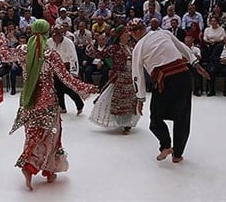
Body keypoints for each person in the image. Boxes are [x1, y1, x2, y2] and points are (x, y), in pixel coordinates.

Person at [0, 19, 97, 190]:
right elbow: (67, 80)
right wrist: (87, 88)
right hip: (48, 102)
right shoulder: (50, 55)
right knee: (51, 136)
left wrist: (1, 39)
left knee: (33, 135)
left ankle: (31, 167)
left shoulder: (23, 51)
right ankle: (47, 170)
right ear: (46, 34)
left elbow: (4, 55)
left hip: (28, 102)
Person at [129, 19, 209, 163]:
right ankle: (176, 153)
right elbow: (183, 47)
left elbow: (137, 75)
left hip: (165, 80)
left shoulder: (138, 47)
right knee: (182, 117)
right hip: (183, 75)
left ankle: (166, 146)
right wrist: (195, 63)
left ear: (135, 32)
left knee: (156, 118)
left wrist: (140, 99)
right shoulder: (164, 33)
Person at [86, 25, 140, 134]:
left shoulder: (130, 46)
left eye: (128, 32)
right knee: (120, 101)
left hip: (131, 78)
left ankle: (128, 124)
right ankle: (123, 123)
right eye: (125, 33)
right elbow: (100, 54)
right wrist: (91, 47)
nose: (128, 34)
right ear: (120, 35)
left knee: (131, 102)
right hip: (120, 78)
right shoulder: (114, 48)